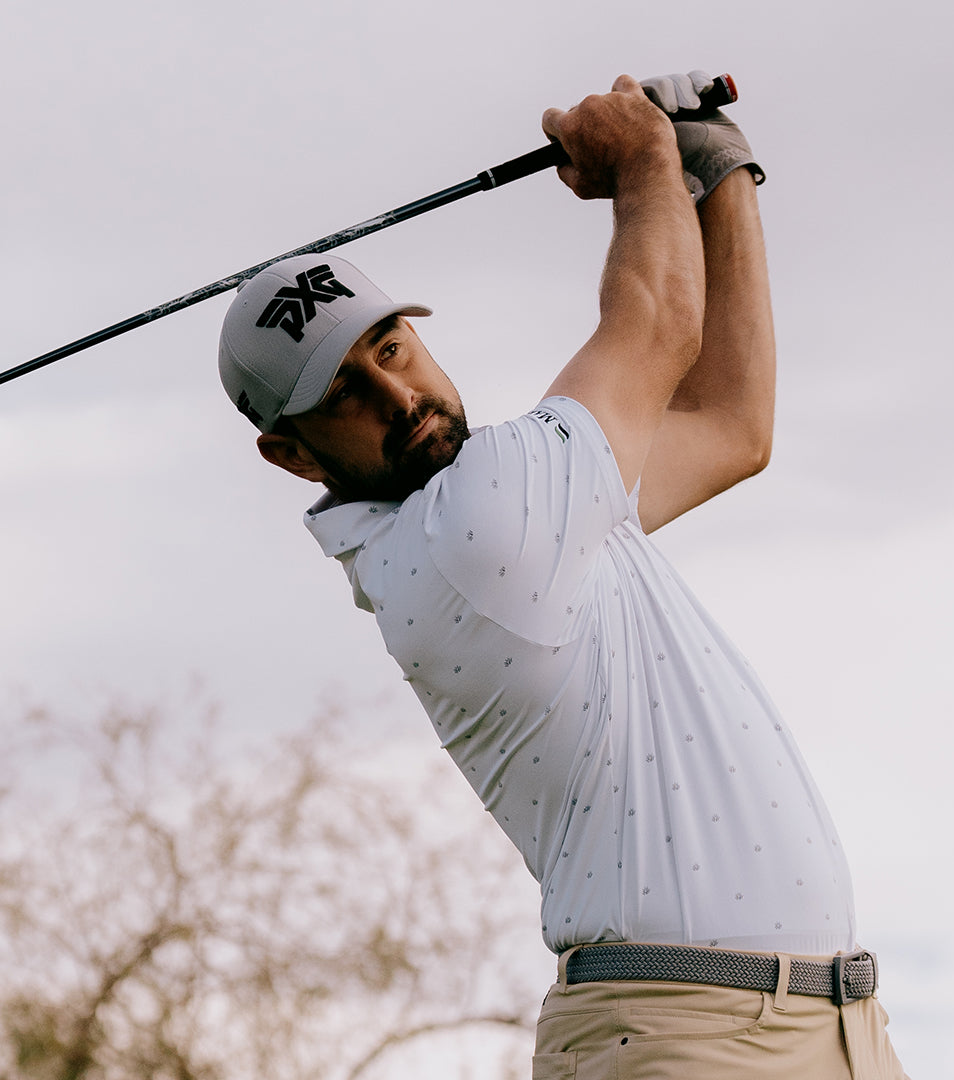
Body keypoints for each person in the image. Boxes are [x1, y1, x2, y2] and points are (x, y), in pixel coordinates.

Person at [218, 72, 907, 1079]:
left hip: (825, 1027)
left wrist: (716, 171)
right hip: (690, 1041)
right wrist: (640, 161)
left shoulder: (539, 509)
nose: (399, 392)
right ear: (294, 456)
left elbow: (729, 425)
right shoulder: (476, 527)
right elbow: (663, 326)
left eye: (392, 347)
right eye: (345, 392)